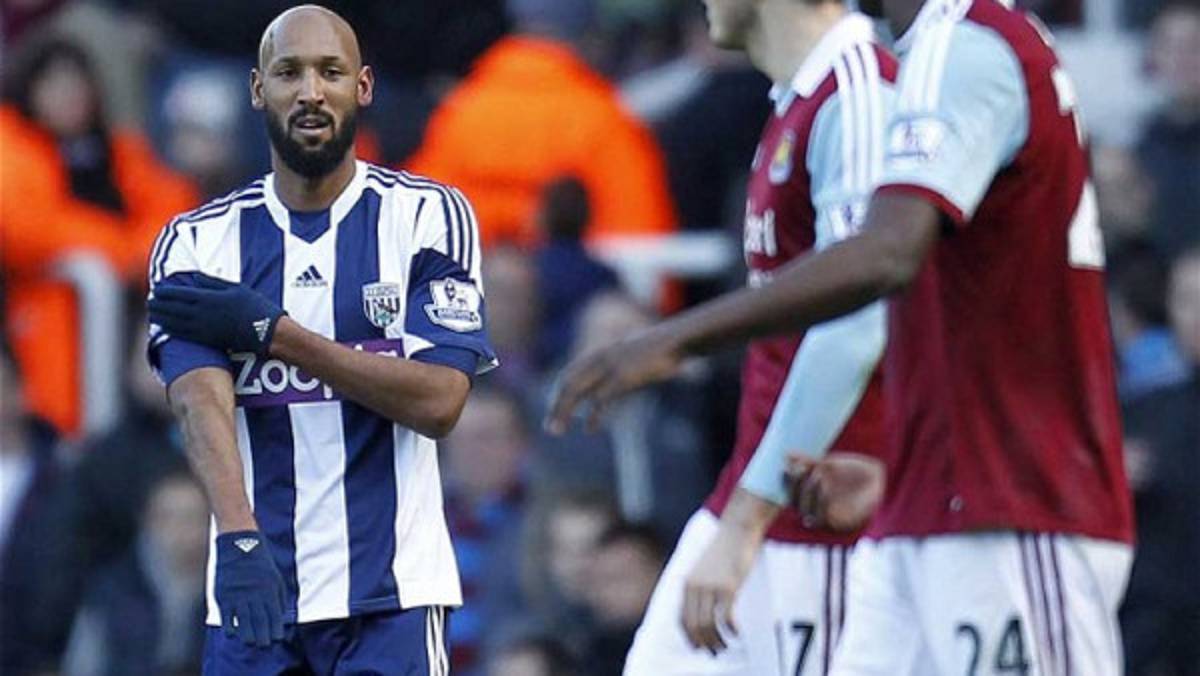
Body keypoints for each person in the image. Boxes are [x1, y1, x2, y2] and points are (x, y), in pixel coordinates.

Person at [547, 0, 1135, 673]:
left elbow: (883, 260)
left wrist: (675, 340)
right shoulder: (919, 60)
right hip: (921, 505)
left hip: (1009, 502)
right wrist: (893, 473)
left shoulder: (950, 51)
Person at [143, 6, 496, 673]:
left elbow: (440, 401)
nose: (310, 91)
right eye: (289, 73)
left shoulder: (427, 216)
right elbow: (199, 401)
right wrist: (239, 537)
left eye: (330, 72)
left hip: (392, 599)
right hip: (255, 592)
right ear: (258, 90)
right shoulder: (197, 241)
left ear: (362, 87)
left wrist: (273, 335)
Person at [552, 0, 897, 673]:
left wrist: (745, 522)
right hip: (759, 498)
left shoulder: (857, 90)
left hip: (821, 521)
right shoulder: (797, 97)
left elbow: (859, 321)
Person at [0, 35, 197, 436]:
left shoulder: (118, 149)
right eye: (54, 83)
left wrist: (140, 255)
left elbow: (174, 211)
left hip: (132, 311)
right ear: (31, 90)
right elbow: (25, 228)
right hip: (44, 319)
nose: (68, 94)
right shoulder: (13, 145)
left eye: (76, 81)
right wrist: (124, 251)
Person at [405, 0, 676, 249]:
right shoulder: (605, 121)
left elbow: (417, 221)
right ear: (591, 37)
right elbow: (642, 241)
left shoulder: (459, 113)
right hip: (570, 284)